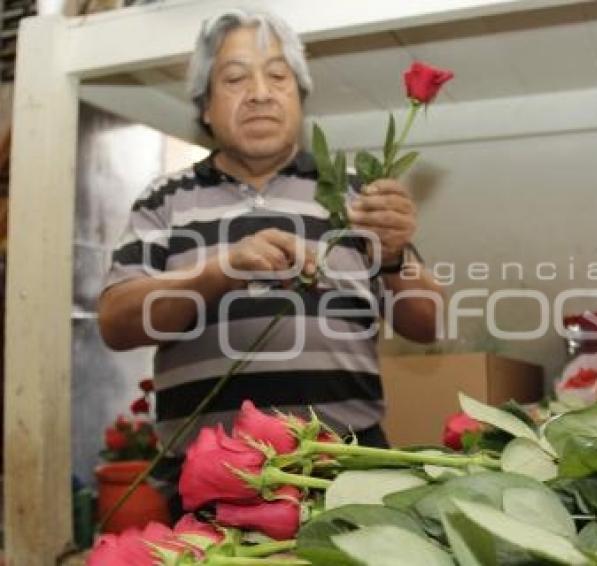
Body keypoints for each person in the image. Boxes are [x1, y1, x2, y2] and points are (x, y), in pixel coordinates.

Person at [97, 8, 443, 499]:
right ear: (206, 108)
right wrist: (220, 272)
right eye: (235, 78)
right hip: (210, 477)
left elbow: (426, 323)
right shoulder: (165, 199)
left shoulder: (355, 192)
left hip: (347, 467)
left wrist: (392, 257)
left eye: (278, 76)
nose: (260, 92)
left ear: (299, 98)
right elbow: (115, 322)